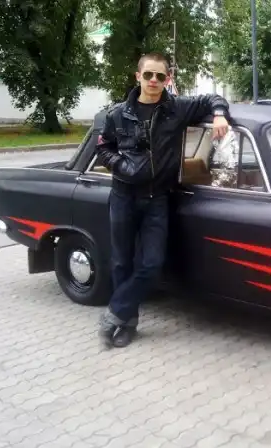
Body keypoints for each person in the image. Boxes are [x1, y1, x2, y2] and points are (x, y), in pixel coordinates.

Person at [95, 52, 230, 348]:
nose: (154, 80)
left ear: (167, 79)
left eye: (160, 76)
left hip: (157, 198)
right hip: (123, 195)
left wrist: (219, 114)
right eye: (148, 75)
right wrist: (122, 166)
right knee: (121, 262)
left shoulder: (177, 108)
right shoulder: (117, 114)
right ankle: (127, 324)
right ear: (138, 77)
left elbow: (212, 99)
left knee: (152, 263)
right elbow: (103, 147)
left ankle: (115, 312)